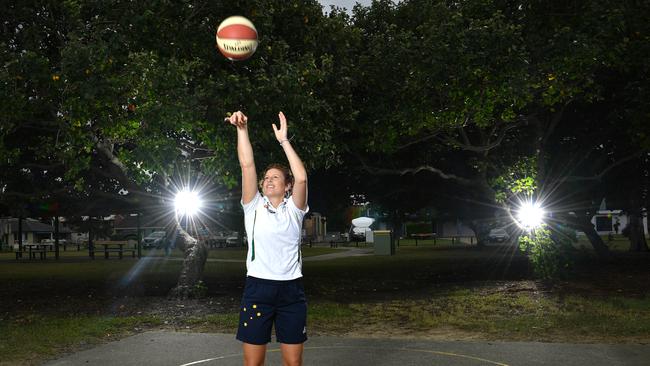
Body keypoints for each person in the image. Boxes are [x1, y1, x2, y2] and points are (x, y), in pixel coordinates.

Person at [228, 110, 309, 366]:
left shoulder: (294, 210)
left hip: (291, 290)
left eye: (275, 177)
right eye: (266, 178)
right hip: (258, 289)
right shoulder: (253, 206)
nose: (268, 180)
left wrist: (284, 140)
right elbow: (247, 165)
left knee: (293, 363)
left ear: (287, 185)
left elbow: (303, 177)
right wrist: (242, 130)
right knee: (253, 364)